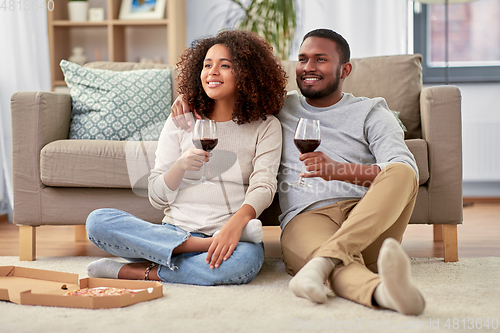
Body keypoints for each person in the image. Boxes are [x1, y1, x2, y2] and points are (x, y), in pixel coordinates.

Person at [170, 29, 425, 315]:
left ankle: (324, 262)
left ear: (346, 69)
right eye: (303, 59)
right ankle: (383, 293)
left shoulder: (372, 111)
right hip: (307, 217)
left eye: (321, 60)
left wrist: (338, 171)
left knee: (403, 171)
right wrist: (188, 97)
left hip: (366, 215)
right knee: (333, 263)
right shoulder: (280, 106)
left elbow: (401, 167)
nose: (309, 68)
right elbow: (230, 94)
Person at [85, 30, 287, 285]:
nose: (212, 72)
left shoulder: (266, 126)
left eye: (225, 65)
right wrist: (179, 167)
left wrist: (236, 225)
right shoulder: (182, 119)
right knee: (97, 222)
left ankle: (140, 270)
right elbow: (157, 197)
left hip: (229, 232)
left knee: (243, 264)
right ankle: (200, 247)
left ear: (248, 73)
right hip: (174, 230)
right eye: (207, 65)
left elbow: (264, 185)